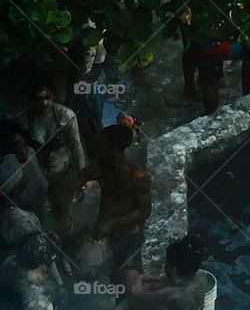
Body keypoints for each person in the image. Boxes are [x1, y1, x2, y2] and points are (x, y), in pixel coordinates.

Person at [60, 124, 151, 277]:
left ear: (113, 148)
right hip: (104, 232)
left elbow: (145, 211)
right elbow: (66, 189)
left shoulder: (137, 176)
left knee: (128, 282)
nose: (96, 150)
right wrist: (63, 215)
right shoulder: (99, 168)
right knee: (97, 276)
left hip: (128, 236)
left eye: (101, 145)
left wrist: (113, 222)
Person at [118, 235, 205, 310]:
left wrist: (140, 277)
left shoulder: (171, 294)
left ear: (173, 269)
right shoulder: (198, 286)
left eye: (166, 264)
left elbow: (134, 298)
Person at [24, 83, 87, 187]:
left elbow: (76, 146)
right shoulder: (28, 118)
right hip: (39, 171)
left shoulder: (66, 115)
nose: (44, 102)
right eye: (39, 99)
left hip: (63, 167)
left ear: (53, 96)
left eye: (47, 97)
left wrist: (83, 176)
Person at [0, 121, 53, 230]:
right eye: (17, 149)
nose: (23, 151)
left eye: (24, 146)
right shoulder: (6, 171)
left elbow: (42, 181)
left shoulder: (31, 153)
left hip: (45, 213)